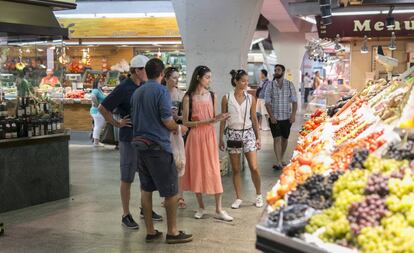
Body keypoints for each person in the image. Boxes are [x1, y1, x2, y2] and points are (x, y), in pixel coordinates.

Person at [131, 58, 193, 244]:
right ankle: (173, 232)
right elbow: (167, 121)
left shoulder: (137, 92)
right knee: (171, 192)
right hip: (158, 147)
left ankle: (150, 231)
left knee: (146, 189)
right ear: (161, 74)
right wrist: (179, 128)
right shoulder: (161, 91)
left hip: (140, 146)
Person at [98, 55, 162, 230]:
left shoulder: (146, 86)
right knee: (127, 177)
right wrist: (117, 123)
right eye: (144, 69)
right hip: (129, 139)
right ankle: (125, 214)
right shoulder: (124, 88)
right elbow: (103, 108)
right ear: (136, 71)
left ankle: (145, 209)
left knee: (145, 175)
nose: (147, 73)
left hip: (145, 137)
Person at [181, 65, 233, 222]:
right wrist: (209, 120)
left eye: (210, 77)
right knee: (197, 170)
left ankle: (219, 208)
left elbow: (211, 117)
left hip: (209, 136)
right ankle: (201, 206)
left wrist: (219, 117)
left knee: (213, 170)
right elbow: (185, 122)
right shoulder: (188, 97)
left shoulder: (212, 95)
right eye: (207, 77)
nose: (210, 80)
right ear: (198, 77)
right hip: (195, 137)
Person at [219, 69, 263, 209]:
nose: (245, 84)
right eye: (243, 81)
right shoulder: (226, 97)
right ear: (236, 81)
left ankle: (258, 195)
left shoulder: (251, 98)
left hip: (248, 133)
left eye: (247, 81)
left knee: (254, 167)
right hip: (232, 134)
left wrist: (258, 137)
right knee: (236, 169)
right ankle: (238, 198)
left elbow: (254, 118)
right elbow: (223, 120)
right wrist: (220, 138)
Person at [161, 67, 186, 209]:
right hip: (164, 133)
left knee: (179, 163)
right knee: (166, 166)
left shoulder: (181, 95)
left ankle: (180, 196)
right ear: (165, 78)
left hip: (177, 132)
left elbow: (186, 116)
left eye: (178, 77)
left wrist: (179, 118)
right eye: (174, 77)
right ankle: (167, 197)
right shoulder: (161, 93)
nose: (176, 80)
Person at [265, 64, 298, 170]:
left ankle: (282, 157)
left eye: (278, 70)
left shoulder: (289, 85)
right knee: (276, 139)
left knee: (284, 139)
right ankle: (278, 161)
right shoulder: (270, 85)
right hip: (274, 118)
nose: (276, 71)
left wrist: (293, 115)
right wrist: (271, 116)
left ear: (283, 72)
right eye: (275, 70)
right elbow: (267, 103)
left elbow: (294, 101)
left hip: (287, 117)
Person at [90, 79, 106, 147]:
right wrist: (97, 105)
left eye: (101, 81)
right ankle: (96, 142)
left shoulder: (99, 90)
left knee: (98, 125)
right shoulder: (96, 90)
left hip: (98, 111)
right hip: (97, 111)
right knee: (98, 126)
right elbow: (93, 96)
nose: (101, 83)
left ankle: (96, 141)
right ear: (96, 83)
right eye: (99, 82)